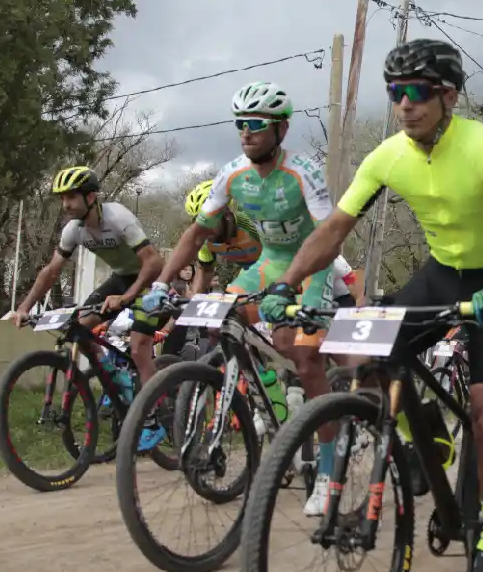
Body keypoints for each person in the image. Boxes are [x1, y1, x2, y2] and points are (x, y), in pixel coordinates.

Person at [268, 40, 483, 572]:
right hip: (439, 274)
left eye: (418, 92)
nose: (404, 104)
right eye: (395, 92)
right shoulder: (388, 156)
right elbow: (333, 230)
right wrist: (284, 284)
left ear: (448, 96)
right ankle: (422, 436)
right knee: (363, 352)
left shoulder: (482, 146)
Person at [145, 82, 338, 515]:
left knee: (304, 357)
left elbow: (328, 236)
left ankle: (328, 467)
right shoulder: (233, 173)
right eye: (240, 125)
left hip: (310, 263)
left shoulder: (302, 171)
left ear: (281, 129)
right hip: (268, 263)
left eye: (256, 124)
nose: (246, 132)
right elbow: (195, 233)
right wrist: (162, 283)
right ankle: (272, 407)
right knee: (219, 321)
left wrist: (294, 285)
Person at [13, 167, 167, 451]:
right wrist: (23, 307)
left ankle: (152, 421)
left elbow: (153, 262)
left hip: (148, 281)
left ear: (91, 196)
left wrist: (128, 297)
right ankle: (113, 374)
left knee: (138, 348)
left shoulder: (118, 217)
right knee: (78, 329)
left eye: (71, 197)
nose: (66, 204)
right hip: (120, 278)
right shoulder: (73, 230)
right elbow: (51, 272)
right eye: (62, 198)